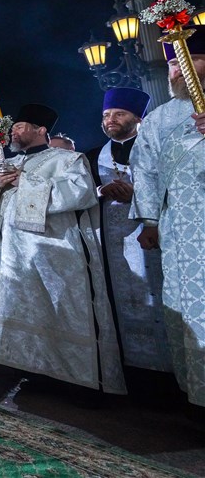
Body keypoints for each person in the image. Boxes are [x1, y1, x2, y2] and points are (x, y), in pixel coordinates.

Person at [0, 103, 125, 397]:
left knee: (61, 310)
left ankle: (76, 384)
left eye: (20, 127)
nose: (13, 132)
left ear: (40, 130)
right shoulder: (6, 163)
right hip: (15, 255)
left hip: (55, 252)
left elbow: (81, 193)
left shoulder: (68, 159)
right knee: (25, 311)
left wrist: (25, 182)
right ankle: (32, 372)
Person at [130, 39, 205, 414]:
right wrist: (150, 220)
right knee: (187, 310)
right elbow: (144, 171)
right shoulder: (159, 118)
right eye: (173, 64)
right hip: (180, 233)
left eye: (189, 60)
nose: (176, 70)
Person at [83, 87, 170, 384]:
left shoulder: (157, 149)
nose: (111, 120)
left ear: (138, 118)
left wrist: (139, 194)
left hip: (156, 237)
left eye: (119, 114)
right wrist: (100, 190)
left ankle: (172, 378)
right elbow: (79, 194)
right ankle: (132, 377)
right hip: (111, 244)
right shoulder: (92, 156)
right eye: (106, 115)